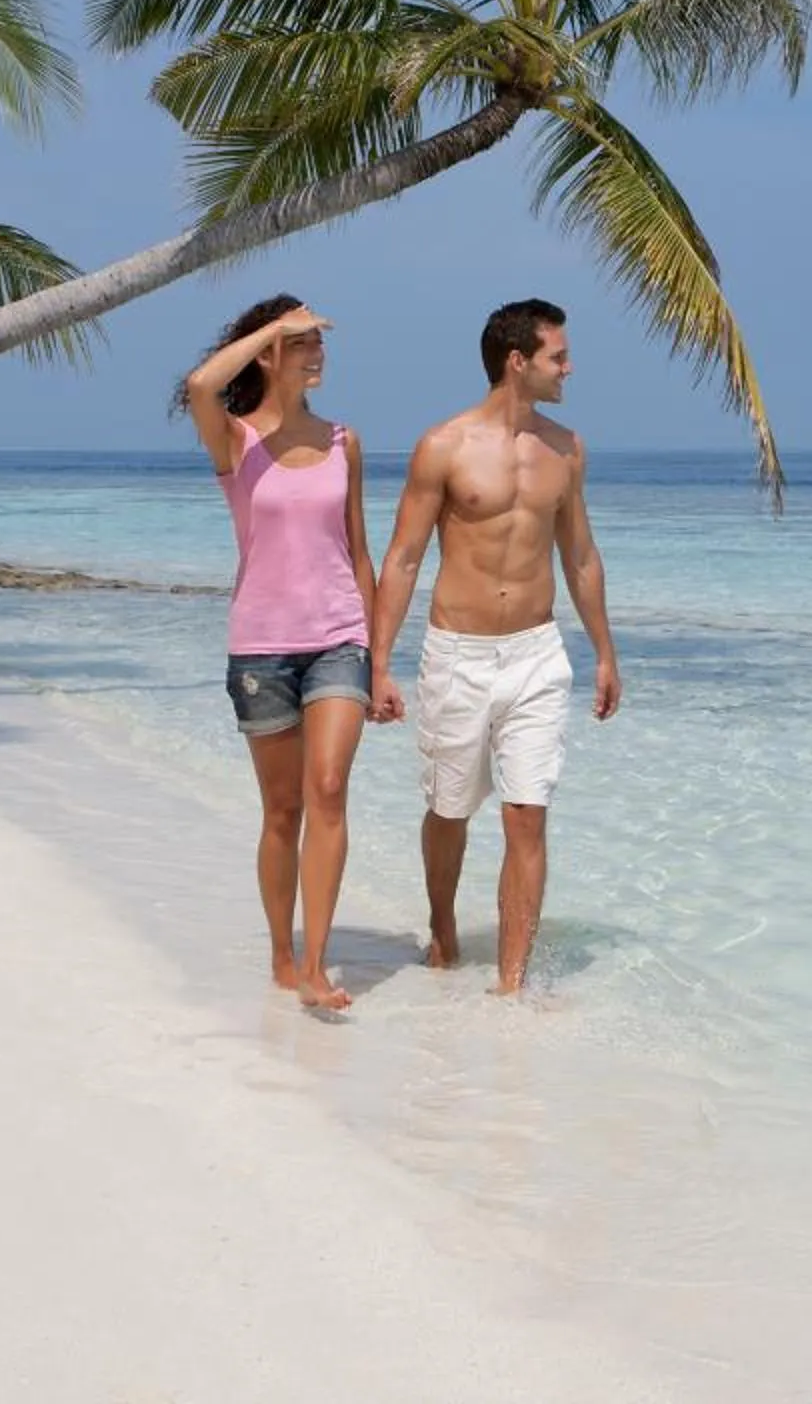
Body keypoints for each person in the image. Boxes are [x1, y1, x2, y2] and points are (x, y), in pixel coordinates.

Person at [367, 298, 621, 996]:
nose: (569, 368)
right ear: (517, 361)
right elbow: (404, 558)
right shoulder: (444, 446)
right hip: (459, 654)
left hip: (537, 653)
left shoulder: (566, 449)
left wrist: (604, 652)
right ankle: (443, 928)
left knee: (527, 815)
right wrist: (379, 663)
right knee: (449, 809)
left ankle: (512, 985)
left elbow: (581, 556)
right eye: (557, 356)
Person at [183, 295, 376, 1010]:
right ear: (268, 354)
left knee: (328, 789)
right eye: (301, 343)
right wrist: (273, 327)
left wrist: (379, 656)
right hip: (261, 650)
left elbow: (360, 553)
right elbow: (200, 385)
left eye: (317, 341)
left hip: (339, 641)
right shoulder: (235, 442)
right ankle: (281, 954)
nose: (316, 351)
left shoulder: (343, 441)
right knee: (283, 811)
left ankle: (317, 965)